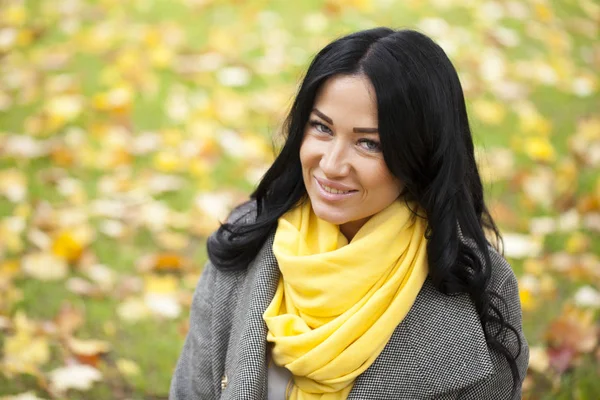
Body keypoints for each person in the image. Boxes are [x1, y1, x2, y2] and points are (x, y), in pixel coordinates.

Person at [170, 27, 529, 399]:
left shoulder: (477, 288)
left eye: (368, 142)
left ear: (420, 153)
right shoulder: (245, 241)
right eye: (322, 127)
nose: (332, 164)